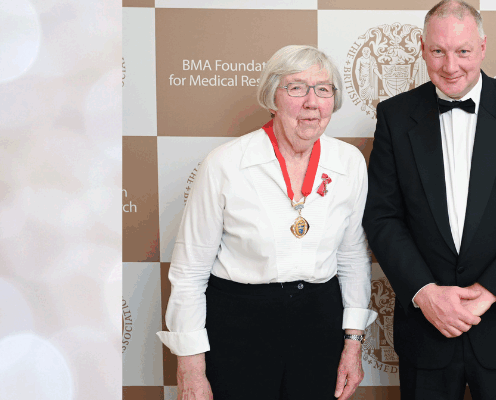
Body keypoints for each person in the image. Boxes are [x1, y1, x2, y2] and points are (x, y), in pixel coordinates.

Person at [362, 1, 496, 399]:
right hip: (427, 330)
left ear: (483, 47)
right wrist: (425, 293)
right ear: (422, 49)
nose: (450, 65)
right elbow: (382, 217)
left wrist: (488, 293)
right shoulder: (394, 116)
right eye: (438, 51)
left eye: (463, 51)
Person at [157, 45, 377, 400]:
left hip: (319, 326)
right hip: (239, 326)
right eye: (297, 87)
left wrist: (353, 343)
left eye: (323, 89)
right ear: (272, 97)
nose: (312, 102)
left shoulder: (349, 163)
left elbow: (352, 258)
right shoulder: (225, 164)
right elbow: (189, 272)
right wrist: (191, 367)